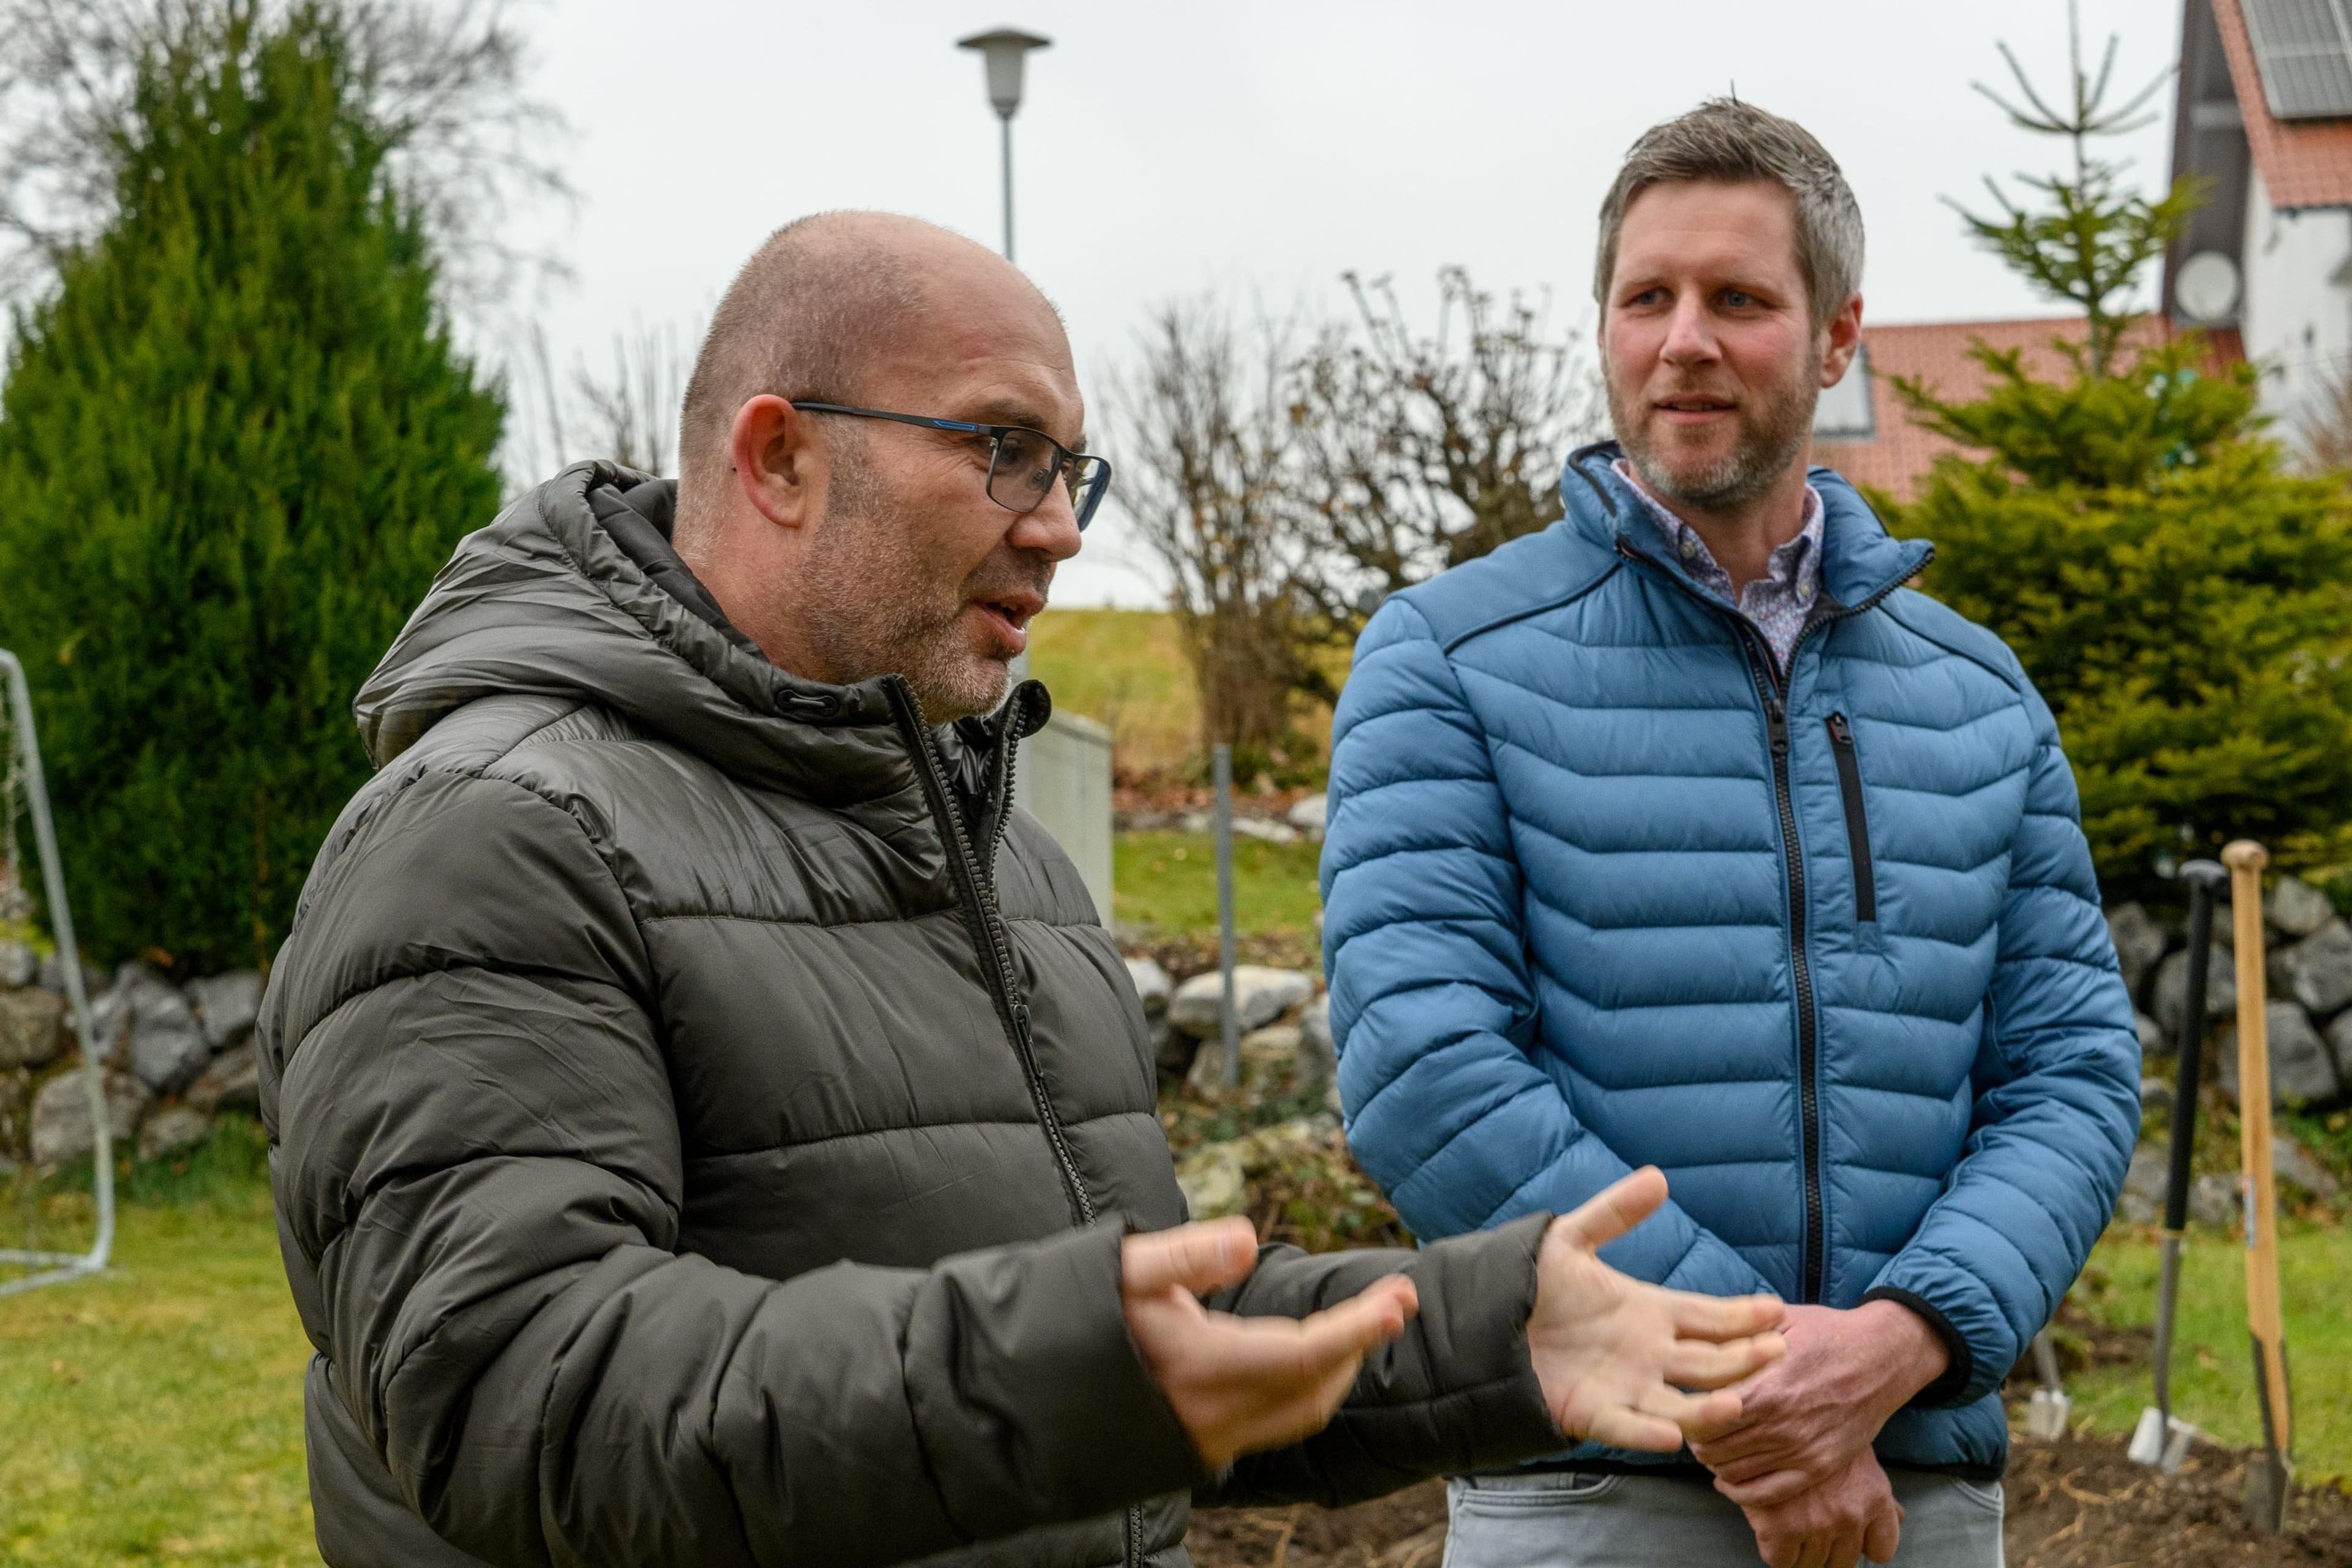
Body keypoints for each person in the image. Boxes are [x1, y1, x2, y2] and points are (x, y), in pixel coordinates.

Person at [256, 209, 1785, 1568]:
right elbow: (518, 1386)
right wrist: (1060, 1375)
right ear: (779, 455)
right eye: (1003, 450)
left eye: (1071, 471)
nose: (1057, 525)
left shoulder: (1009, 862)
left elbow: (1137, 1350)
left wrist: (1485, 1330)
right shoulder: (496, 834)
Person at [1325, 100, 2141, 1568]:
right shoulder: (1446, 657)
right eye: (1648, 297)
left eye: (1739, 299)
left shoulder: (1977, 694)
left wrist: (1897, 1343)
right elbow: (1422, 1065)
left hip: (1919, 1492)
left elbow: (2071, 1073)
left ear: (1838, 339)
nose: (1684, 339)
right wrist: (1754, 1391)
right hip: (1591, 1485)